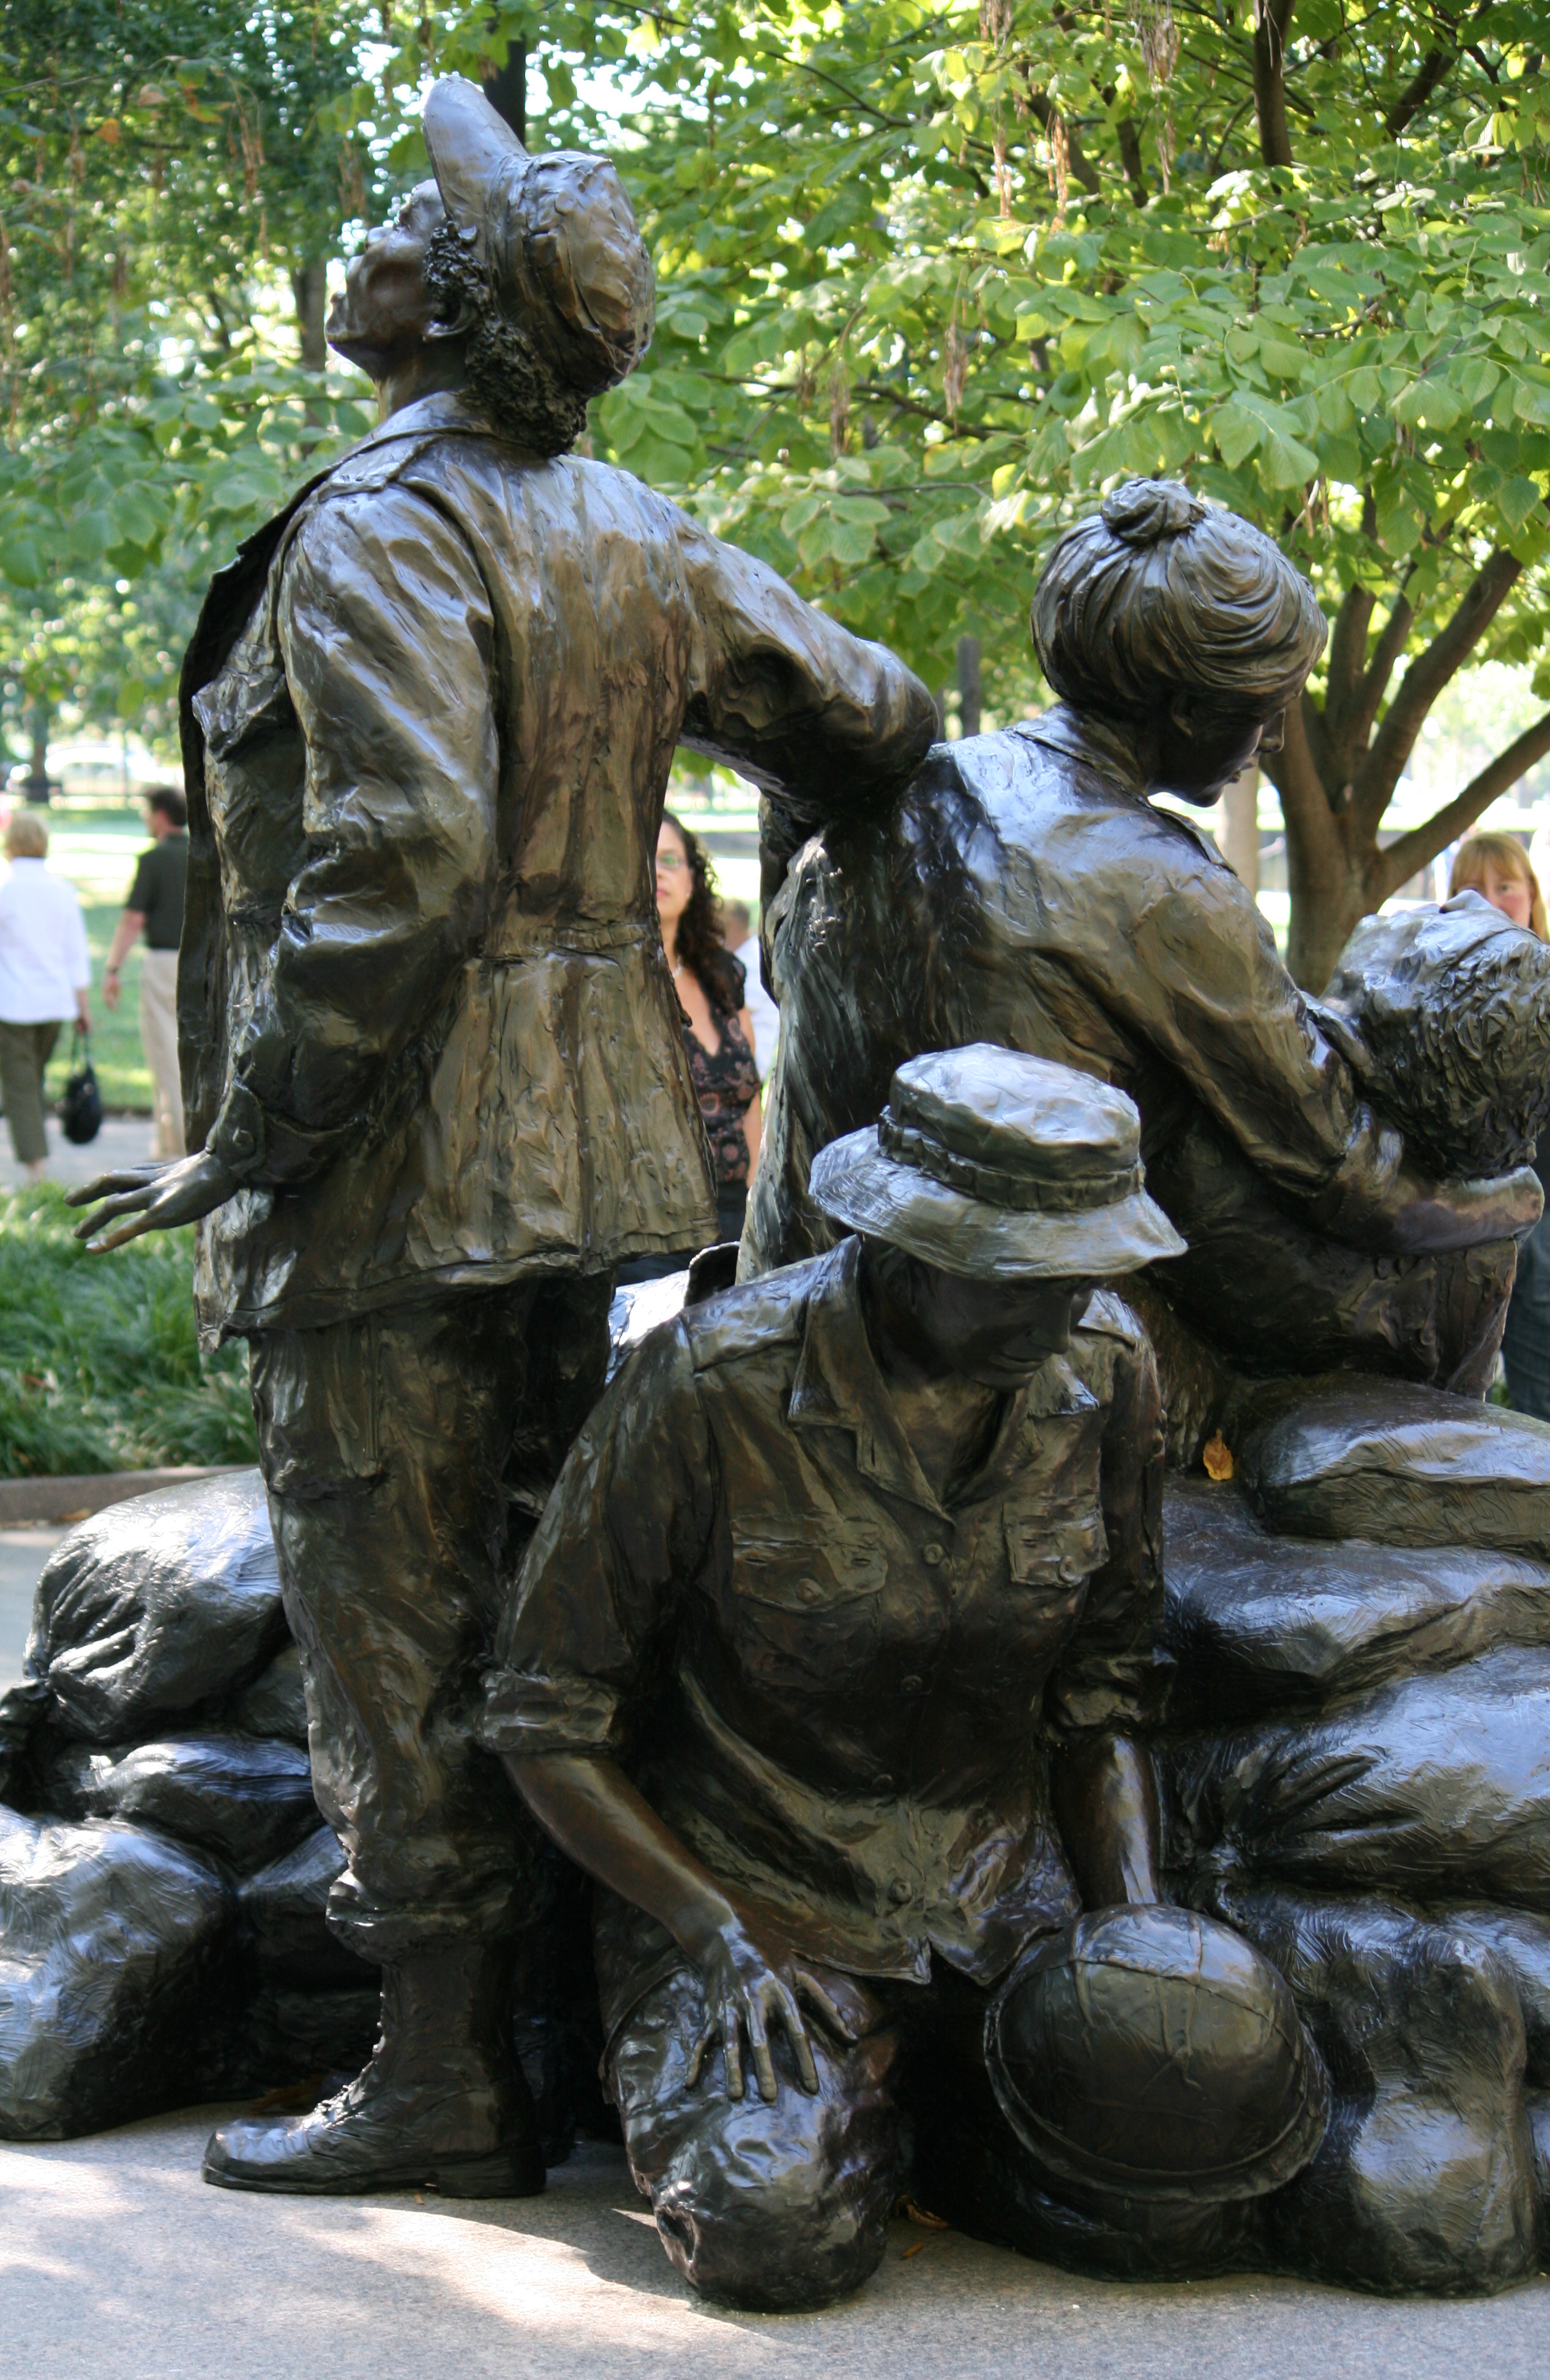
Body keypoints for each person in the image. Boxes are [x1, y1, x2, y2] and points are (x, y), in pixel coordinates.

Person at [70, 76, 934, 2202]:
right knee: (539, 1604)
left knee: (394, 1608)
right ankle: (550, 2026)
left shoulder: (384, 523)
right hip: (595, 1161)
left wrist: (257, 1131)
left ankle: (446, 2073)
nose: (371, 231)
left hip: (397, 1173)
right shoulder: (636, 529)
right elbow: (879, 712)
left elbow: (402, 858)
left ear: (446, 305)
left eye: (405, 217)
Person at [484, 1047, 1325, 2310]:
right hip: (759, 1899)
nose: (1063, 1311)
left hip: (1000, 1894)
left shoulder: (1106, 1371)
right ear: (910, 1246)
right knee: (773, 2228)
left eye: (1084, 1274)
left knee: (1173, 2201)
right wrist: (713, 1927)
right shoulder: (710, 1385)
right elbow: (545, 1713)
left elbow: (1102, 1687)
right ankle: (870, 2124)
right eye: (1023, 1279)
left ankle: (931, 2129)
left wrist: (1129, 1938)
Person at [743, 480, 1538, 1428]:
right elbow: (1347, 1172)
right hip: (1006, 1363)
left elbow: (785, 973)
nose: (1276, 738)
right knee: (1458, 1252)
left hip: (794, 1284)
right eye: (1266, 707)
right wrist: (1509, 1206)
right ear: (1188, 708)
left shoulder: (900, 786)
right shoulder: (1165, 888)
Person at [1450, 830, 1550, 1438]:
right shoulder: (1438, 991)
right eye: (1473, 888)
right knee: (1448, 1405)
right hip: (1463, 1229)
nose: (1491, 900)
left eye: (1506, 886)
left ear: (1532, 894)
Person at [657, 812, 761, 1246]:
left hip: (737, 1221)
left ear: (691, 880)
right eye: (644, 860)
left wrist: (755, 1203)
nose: (657, 872)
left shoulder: (721, 976)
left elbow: (750, 1097)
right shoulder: (609, 986)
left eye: (670, 860)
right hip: (655, 1233)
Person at [0, 812, 90, 1180]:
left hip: (13, 1005)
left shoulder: (6, 891)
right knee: (30, 1079)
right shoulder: (63, 891)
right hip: (55, 1004)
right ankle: (36, 1157)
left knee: (21, 1086)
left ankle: (37, 1169)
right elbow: (76, 953)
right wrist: (83, 1008)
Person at [103, 785, 189, 1159]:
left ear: (161, 815)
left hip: (163, 963)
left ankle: (178, 1148)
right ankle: (168, 1143)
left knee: (165, 1056)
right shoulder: (205, 853)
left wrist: (113, 968)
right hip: (202, 963)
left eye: (148, 812)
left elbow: (133, 919)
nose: (145, 819)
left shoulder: (154, 859)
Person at [724, 894, 779, 1074]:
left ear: (732, 925)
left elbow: (731, 1006)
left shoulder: (754, 960)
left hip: (750, 1063)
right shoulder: (743, 956)